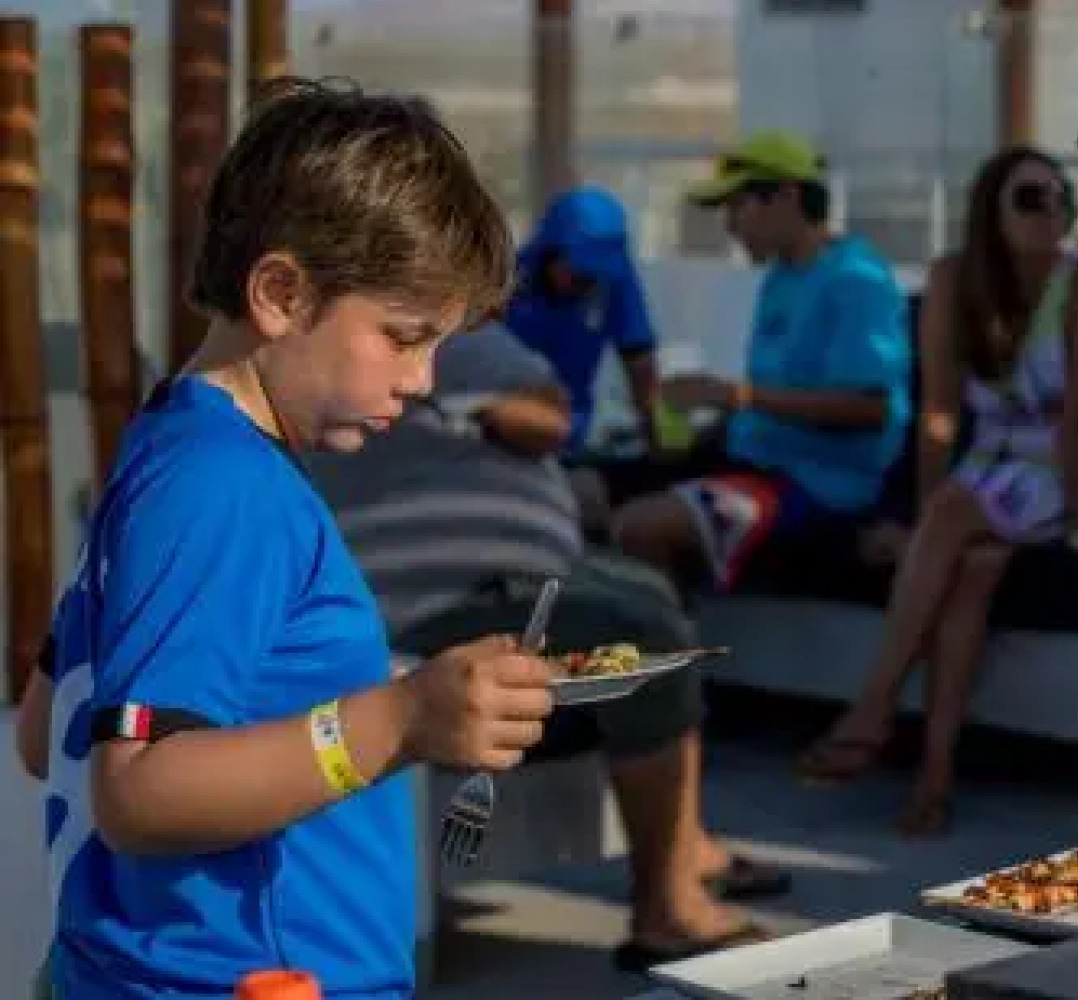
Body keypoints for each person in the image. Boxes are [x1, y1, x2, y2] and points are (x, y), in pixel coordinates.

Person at [13, 79, 552, 998]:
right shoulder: (225, 488)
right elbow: (139, 790)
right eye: (403, 337)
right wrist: (401, 720)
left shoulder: (168, 449)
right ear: (279, 293)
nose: (423, 379)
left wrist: (363, 690)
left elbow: (43, 731)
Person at [303, 322, 788, 972]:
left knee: (646, 593)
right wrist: (487, 411)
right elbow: (549, 418)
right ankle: (667, 910)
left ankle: (686, 845)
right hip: (432, 605)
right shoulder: (439, 339)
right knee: (644, 639)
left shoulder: (372, 340)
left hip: (488, 581)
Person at [795, 147, 1078, 835]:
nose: (1052, 215)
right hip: (993, 470)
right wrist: (927, 526)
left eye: (1059, 199)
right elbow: (939, 416)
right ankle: (935, 780)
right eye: (1030, 200)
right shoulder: (955, 280)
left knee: (953, 517)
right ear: (992, 211)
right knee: (971, 572)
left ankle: (873, 709)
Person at [611, 131, 912, 594]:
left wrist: (736, 395)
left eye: (739, 207)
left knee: (644, 528)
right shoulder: (780, 278)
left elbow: (869, 408)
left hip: (816, 488)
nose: (731, 225)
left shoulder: (857, 280)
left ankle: (669, 657)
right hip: (755, 464)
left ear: (787, 196)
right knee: (588, 495)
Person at [505, 185, 660, 454]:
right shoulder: (504, 283)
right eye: (580, 273)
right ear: (550, 252)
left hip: (571, 436)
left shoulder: (615, 282)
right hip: (502, 431)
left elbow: (639, 360)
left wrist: (655, 437)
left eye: (595, 277)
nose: (587, 285)